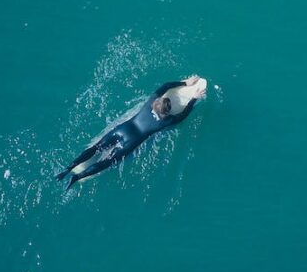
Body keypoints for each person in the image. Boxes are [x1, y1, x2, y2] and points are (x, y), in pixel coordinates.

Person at [56, 75, 207, 190]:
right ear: (167, 112)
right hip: (131, 141)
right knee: (107, 162)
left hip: (122, 130)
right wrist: (193, 98)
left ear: (157, 103)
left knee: (96, 149)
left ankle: (67, 169)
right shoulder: (166, 121)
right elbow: (183, 115)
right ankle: (77, 177)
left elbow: (166, 85)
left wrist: (185, 83)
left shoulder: (151, 101)